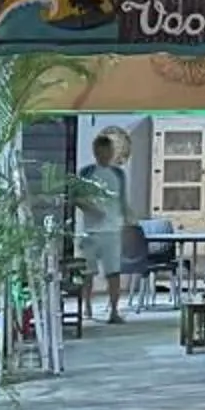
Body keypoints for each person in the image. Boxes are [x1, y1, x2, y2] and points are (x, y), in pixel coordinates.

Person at [79, 128, 133, 323]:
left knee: (113, 272)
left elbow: (122, 201)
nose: (106, 154)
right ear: (96, 152)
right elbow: (77, 197)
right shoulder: (86, 172)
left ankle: (114, 311)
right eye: (101, 150)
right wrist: (91, 209)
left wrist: (128, 222)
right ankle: (86, 307)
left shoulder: (118, 174)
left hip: (112, 230)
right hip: (91, 231)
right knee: (87, 273)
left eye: (108, 150)